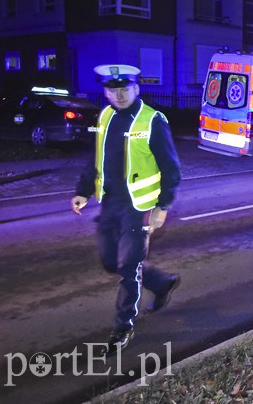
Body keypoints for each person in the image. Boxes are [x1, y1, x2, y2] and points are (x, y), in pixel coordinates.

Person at [71, 64, 182, 355]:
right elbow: (97, 156)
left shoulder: (153, 120)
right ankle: (162, 283)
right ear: (106, 91)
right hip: (110, 202)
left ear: (137, 88)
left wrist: (163, 206)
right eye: (112, 89)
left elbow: (171, 168)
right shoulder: (105, 116)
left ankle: (123, 328)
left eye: (124, 89)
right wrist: (83, 190)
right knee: (111, 261)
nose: (118, 95)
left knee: (128, 266)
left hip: (140, 206)